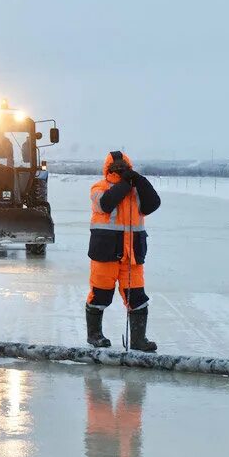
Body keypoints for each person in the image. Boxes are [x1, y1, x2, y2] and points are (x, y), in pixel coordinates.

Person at [86, 150, 161, 351]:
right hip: (105, 253)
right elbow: (106, 203)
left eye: (124, 168)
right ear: (107, 170)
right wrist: (125, 183)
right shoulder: (99, 188)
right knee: (100, 295)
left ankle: (138, 340)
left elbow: (153, 203)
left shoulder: (136, 190)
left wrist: (139, 180)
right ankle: (95, 335)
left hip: (132, 255)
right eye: (117, 168)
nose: (120, 171)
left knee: (137, 297)